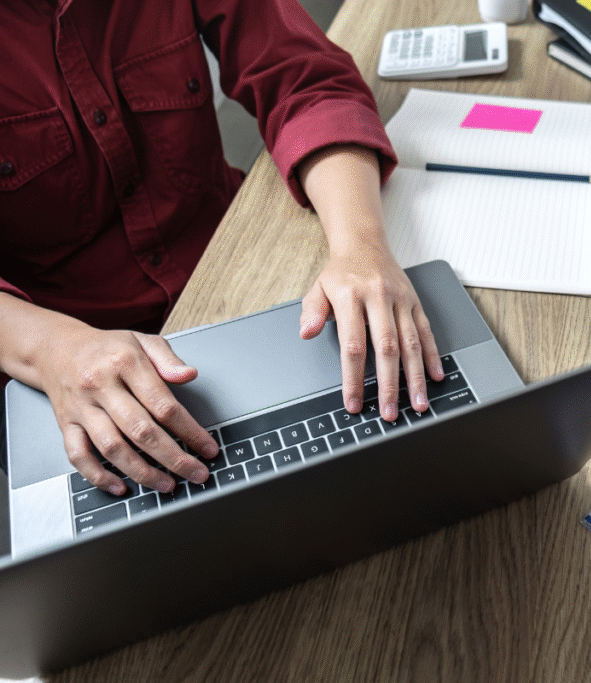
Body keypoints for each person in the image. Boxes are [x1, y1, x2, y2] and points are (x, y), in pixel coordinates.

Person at [0, 1, 444, 497]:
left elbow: (304, 79)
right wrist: (49, 350)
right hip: (61, 349)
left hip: (238, 270)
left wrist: (360, 246)